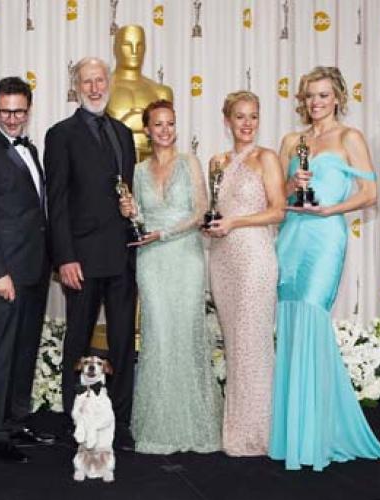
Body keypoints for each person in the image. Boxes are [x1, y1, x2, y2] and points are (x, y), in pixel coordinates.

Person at [269, 66, 380, 471]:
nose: (316, 102)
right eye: (310, 95)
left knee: (312, 315)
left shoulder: (350, 138)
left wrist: (332, 209)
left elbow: (370, 193)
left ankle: (317, 433)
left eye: (324, 95)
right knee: (291, 320)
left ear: (338, 98)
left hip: (325, 236)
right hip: (291, 237)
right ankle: (294, 432)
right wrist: (291, 186)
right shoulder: (291, 141)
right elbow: (277, 196)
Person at [119, 99, 222, 454]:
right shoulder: (137, 171)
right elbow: (139, 218)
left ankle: (194, 424)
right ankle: (159, 425)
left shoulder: (189, 162)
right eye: (158, 124)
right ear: (147, 130)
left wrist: (164, 233)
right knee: (159, 336)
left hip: (185, 256)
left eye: (170, 123)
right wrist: (130, 211)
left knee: (186, 334)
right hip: (151, 260)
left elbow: (201, 210)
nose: (165, 130)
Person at [45, 57, 137, 450]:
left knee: (123, 342)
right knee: (78, 343)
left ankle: (121, 423)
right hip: (80, 259)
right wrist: (65, 257)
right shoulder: (60, 134)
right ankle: (76, 420)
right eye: (87, 82)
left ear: (109, 82)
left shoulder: (123, 133)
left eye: (100, 80)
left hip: (121, 256)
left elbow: (125, 191)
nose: (95, 88)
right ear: (76, 87)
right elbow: (56, 202)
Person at [0, 76, 54, 464]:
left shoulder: (30, 149)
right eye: (5, 111)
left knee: (25, 348)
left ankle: (16, 421)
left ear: (28, 109)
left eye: (19, 111)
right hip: (7, 272)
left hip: (35, 267)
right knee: (2, 351)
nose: (12, 118)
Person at [203, 91, 284, 456]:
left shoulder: (266, 158)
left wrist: (235, 222)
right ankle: (236, 429)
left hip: (254, 257)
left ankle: (259, 433)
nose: (247, 123)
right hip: (223, 259)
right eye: (240, 116)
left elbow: (278, 211)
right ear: (227, 120)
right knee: (235, 344)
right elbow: (215, 210)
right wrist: (212, 225)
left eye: (253, 116)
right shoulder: (216, 162)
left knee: (254, 343)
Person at [106, 24, 174, 160]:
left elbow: (166, 138)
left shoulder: (161, 92)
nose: (134, 51)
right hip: (113, 164)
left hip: (153, 165)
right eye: (127, 45)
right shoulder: (102, 90)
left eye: (140, 45)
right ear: (115, 48)